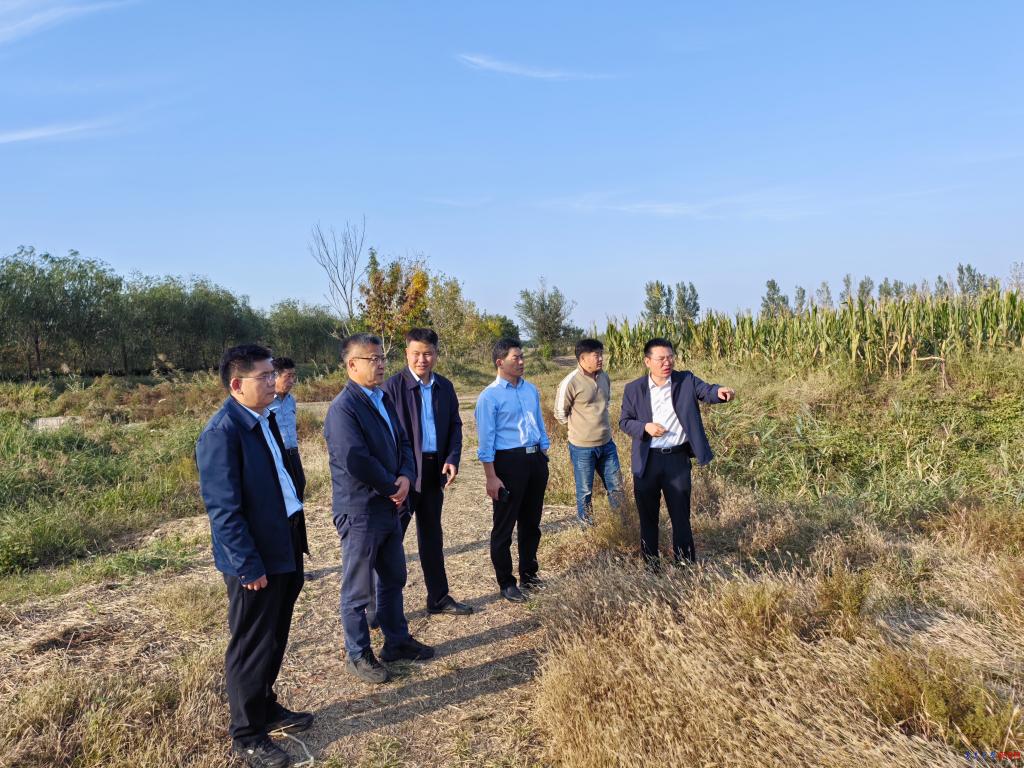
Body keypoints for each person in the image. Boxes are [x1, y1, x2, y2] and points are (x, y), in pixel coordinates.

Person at [196, 344, 311, 768]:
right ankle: (246, 734)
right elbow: (224, 511)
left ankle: (265, 705)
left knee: (274, 634)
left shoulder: (266, 417)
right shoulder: (222, 433)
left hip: (285, 541)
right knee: (251, 643)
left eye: (272, 374)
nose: (272, 381)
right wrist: (247, 565)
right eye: (263, 376)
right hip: (255, 557)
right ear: (236, 384)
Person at [323, 333, 434, 685]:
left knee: (393, 575)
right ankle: (358, 654)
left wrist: (405, 477)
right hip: (361, 510)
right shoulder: (343, 408)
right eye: (373, 359)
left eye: (382, 357)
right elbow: (356, 459)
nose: (382, 364)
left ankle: (396, 640)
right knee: (358, 589)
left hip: (388, 505)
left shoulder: (381, 397)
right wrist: (391, 486)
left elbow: (404, 442)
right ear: (352, 364)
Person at [619, 337, 735, 565]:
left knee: (681, 517)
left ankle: (685, 565)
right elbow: (624, 421)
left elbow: (707, 391)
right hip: (647, 461)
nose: (667, 362)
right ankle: (651, 565)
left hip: (677, 460)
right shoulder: (634, 389)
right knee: (648, 518)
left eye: (670, 357)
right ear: (647, 361)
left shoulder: (686, 380)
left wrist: (720, 392)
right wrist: (645, 427)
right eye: (661, 358)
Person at [380, 328, 471, 616]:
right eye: (416, 353)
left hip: (434, 470)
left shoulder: (445, 386)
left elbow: (455, 425)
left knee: (432, 536)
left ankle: (438, 598)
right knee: (390, 539)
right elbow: (384, 436)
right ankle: (377, 607)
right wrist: (396, 474)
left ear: (436, 354)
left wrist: (452, 457)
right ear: (406, 353)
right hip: (404, 474)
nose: (422, 359)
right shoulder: (391, 388)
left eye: (428, 353)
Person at [475, 338, 550, 603]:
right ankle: (506, 582)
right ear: (500, 362)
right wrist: (491, 476)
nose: (521, 361)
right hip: (508, 463)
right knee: (504, 527)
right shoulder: (490, 396)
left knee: (531, 523)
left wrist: (543, 450)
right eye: (515, 357)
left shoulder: (530, 390)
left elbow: (538, 422)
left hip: (534, 460)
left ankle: (529, 574)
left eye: (522, 357)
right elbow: (486, 441)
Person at [554, 338, 623, 526]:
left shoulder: (604, 377)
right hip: (582, 448)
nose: (600, 358)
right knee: (585, 491)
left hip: (607, 444)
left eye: (601, 354)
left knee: (616, 486)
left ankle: (622, 525)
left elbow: (605, 403)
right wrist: (580, 429)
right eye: (596, 355)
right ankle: (587, 527)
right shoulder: (570, 382)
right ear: (582, 358)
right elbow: (560, 413)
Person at [268, 357, 305, 498]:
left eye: (293, 376)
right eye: (288, 376)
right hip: (276, 456)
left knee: (299, 487)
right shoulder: (266, 402)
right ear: (275, 377)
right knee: (281, 494)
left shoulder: (291, 400)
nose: (292, 381)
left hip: (293, 454)